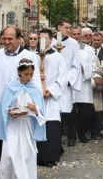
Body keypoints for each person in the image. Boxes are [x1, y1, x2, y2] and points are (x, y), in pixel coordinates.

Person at [0, 26, 41, 177]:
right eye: (4, 38)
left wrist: (35, 107)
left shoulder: (29, 56)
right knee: (1, 152)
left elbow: (35, 85)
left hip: (21, 113)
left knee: (20, 152)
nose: (6, 42)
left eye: (10, 39)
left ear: (19, 39)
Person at [36, 29, 67, 167]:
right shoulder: (33, 56)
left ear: (50, 40)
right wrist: (37, 90)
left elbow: (62, 77)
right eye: (40, 38)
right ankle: (37, 156)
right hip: (37, 96)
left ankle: (50, 156)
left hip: (51, 97)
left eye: (45, 38)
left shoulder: (58, 57)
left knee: (51, 126)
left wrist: (51, 91)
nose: (42, 41)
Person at [52, 18, 81, 147]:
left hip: (67, 83)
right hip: (53, 83)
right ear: (59, 27)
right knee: (54, 113)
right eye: (66, 27)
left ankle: (71, 136)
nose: (68, 30)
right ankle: (55, 140)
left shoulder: (74, 44)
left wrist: (68, 80)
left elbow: (76, 65)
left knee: (69, 112)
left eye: (70, 28)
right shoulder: (50, 42)